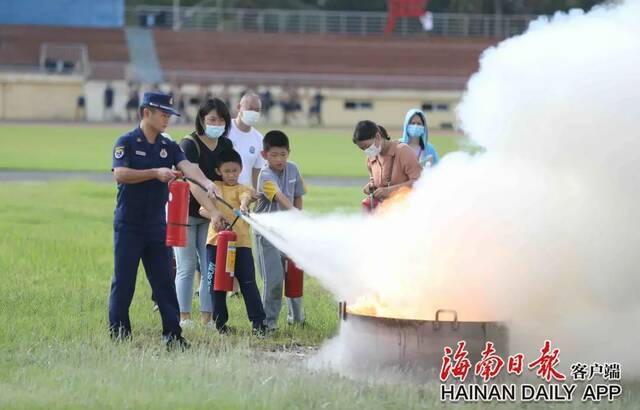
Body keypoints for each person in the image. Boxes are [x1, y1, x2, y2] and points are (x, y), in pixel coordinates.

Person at [109, 92, 219, 349]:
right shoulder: (126, 140)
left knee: (163, 282)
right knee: (124, 280)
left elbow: (188, 166)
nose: (167, 119)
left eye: (169, 115)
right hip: (129, 224)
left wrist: (206, 183)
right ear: (146, 112)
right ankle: (119, 334)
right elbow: (121, 174)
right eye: (163, 114)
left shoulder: (167, 145)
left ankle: (173, 335)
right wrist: (155, 173)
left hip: (157, 224)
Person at [175, 98, 233, 328]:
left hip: (213, 214)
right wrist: (214, 211)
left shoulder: (226, 146)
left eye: (221, 120)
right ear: (202, 120)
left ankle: (207, 317)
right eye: (211, 119)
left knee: (210, 266)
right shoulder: (189, 144)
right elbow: (193, 184)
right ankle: (184, 317)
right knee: (187, 266)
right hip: (185, 213)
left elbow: (229, 179)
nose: (216, 123)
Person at [198, 149, 267, 335]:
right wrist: (214, 217)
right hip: (215, 244)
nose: (231, 174)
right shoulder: (213, 188)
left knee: (248, 283)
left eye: (235, 170)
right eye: (227, 171)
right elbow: (202, 210)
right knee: (217, 284)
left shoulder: (243, 189)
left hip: (241, 244)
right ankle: (220, 324)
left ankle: (259, 324)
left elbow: (245, 197)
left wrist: (244, 205)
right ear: (219, 171)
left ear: (241, 169)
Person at [254, 130, 306, 330]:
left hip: (289, 233)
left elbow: (298, 195)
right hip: (267, 235)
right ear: (264, 155)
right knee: (274, 280)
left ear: (289, 153)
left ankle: (297, 317)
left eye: (283, 155)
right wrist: (293, 211)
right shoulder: (264, 175)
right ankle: (268, 323)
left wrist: (298, 216)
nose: (279, 159)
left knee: (294, 274)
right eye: (274, 155)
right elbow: (279, 196)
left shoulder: (294, 169)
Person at [353, 120, 422, 201]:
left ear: (378, 136)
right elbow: (374, 180)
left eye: (367, 146)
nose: (366, 150)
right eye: (362, 148)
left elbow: (419, 182)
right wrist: (371, 186)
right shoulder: (370, 158)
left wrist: (390, 191)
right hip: (385, 210)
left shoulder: (403, 151)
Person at [227, 92, 265, 189]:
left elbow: (257, 171)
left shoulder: (259, 138)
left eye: (257, 110)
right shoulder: (225, 129)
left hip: (244, 196)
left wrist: (257, 196)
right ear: (239, 107)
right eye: (250, 109)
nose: (253, 113)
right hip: (222, 193)